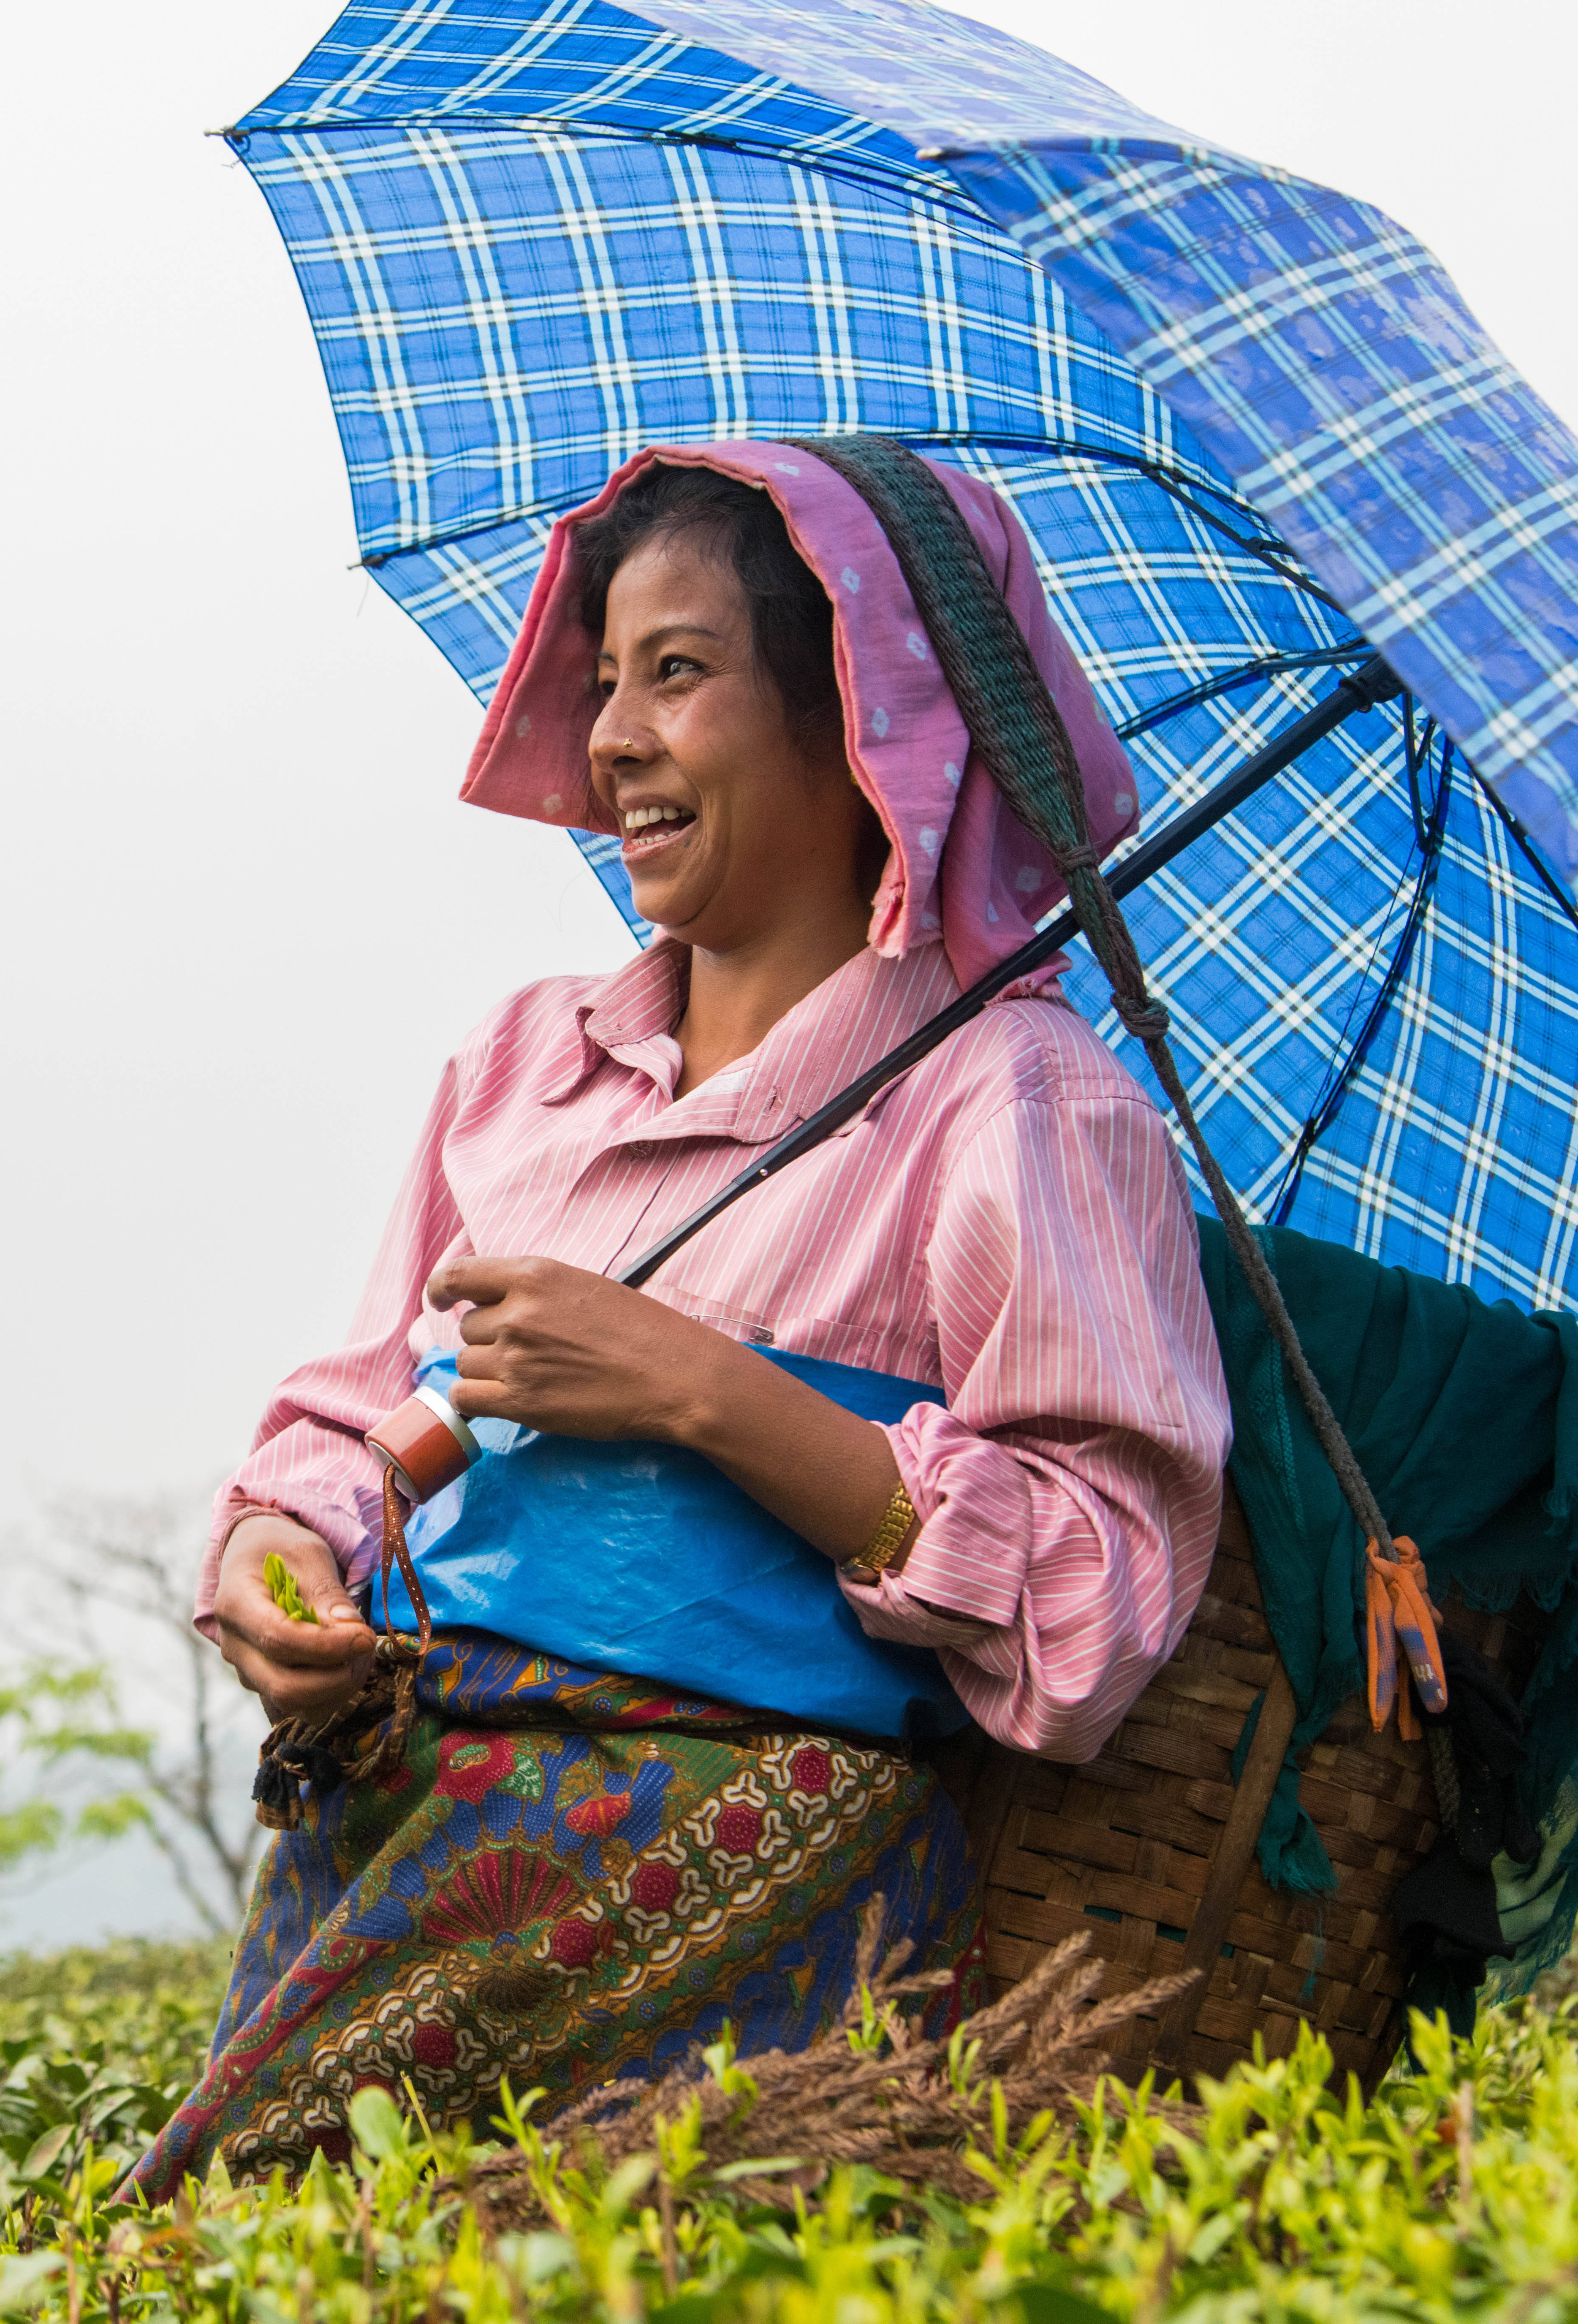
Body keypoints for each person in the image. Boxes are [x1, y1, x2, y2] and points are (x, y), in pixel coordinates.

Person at [129, 441, 1231, 2192]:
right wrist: (285, 1555)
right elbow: (348, 1423)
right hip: (399, 1814)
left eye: (681, 672)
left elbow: (1094, 1608)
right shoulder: (519, 1068)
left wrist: (710, 1394)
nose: (613, 738)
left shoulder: (1018, 1103)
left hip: (739, 1862)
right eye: (607, 681)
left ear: (863, 714)